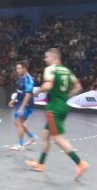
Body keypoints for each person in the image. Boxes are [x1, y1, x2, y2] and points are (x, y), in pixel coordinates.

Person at [25, 48, 89, 179]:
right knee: (45, 135)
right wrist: (65, 97)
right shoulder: (66, 70)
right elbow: (78, 87)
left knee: (58, 139)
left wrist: (37, 92)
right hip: (62, 105)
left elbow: (47, 86)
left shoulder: (50, 69)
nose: (45, 59)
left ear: (53, 57)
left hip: (53, 107)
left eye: (46, 57)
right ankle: (40, 164)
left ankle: (80, 163)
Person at [8, 61, 37, 151]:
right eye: (17, 68)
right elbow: (19, 91)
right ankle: (32, 137)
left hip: (26, 105)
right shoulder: (20, 78)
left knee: (18, 123)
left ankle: (20, 145)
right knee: (18, 123)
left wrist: (22, 108)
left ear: (25, 68)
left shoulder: (29, 79)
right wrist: (13, 99)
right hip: (19, 103)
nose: (17, 70)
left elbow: (28, 95)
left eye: (19, 68)